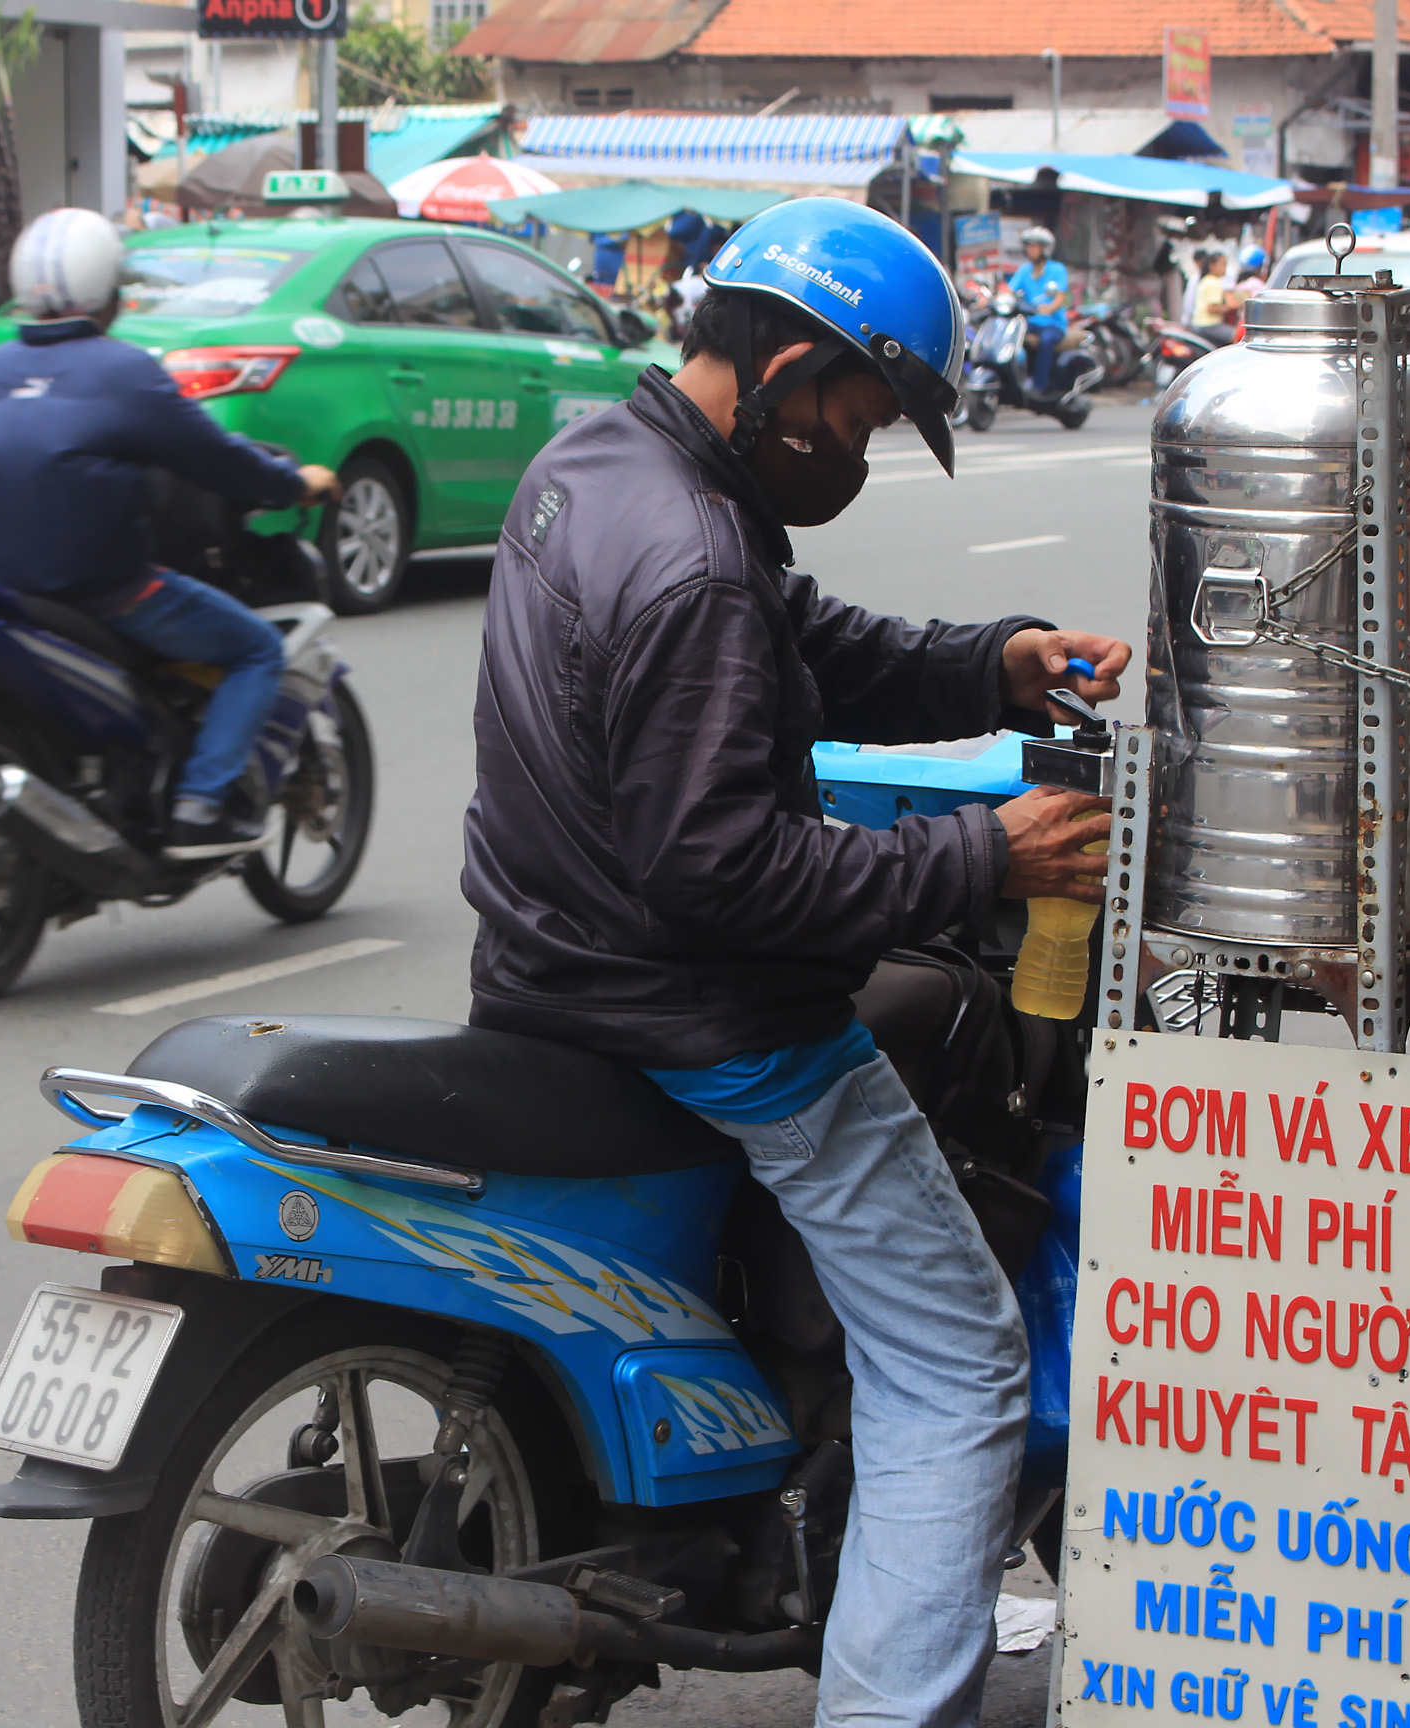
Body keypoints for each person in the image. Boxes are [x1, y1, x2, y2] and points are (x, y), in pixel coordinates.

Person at [461, 197, 1127, 1728]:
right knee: (960, 1370)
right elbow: (724, 869)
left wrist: (989, 658)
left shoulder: (604, 467)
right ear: (788, 361)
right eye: (864, 413)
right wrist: (988, 858)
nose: (860, 448)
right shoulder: (694, 554)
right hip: (702, 1016)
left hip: (547, 972)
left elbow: (795, 644)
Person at [0, 208, 343, 858]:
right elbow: (219, 461)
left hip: (6, 592)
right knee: (255, 651)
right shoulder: (124, 371)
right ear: (108, 290)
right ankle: (200, 805)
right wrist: (295, 482)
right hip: (109, 592)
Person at [1006, 224, 1070, 397]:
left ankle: (1039, 386)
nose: (1030, 250)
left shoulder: (1057, 270)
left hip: (1052, 323)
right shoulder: (1024, 270)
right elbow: (1009, 290)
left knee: (1046, 341)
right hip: (1030, 321)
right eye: (1028, 246)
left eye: (1034, 246)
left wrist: (1049, 308)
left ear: (1045, 249)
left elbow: (1060, 297)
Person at [1189, 248, 1242, 345]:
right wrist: (1232, 307)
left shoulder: (1205, 280)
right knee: (1239, 335)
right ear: (1212, 266)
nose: (1225, 268)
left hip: (1197, 324)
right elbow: (1212, 308)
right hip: (1209, 325)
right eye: (1223, 264)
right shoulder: (1214, 282)